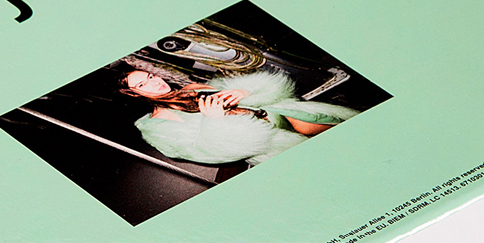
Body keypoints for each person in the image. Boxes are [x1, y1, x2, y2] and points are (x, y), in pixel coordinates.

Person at [118, 67, 358, 166]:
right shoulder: (157, 125)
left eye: (150, 76)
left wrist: (245, 91)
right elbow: (204, 153)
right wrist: (214, 121)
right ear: (133, 94)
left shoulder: (190, 89)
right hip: (273, 143)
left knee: (352, 136)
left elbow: (262, 89)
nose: (154, 82)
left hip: (285, 113)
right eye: (142, 84)